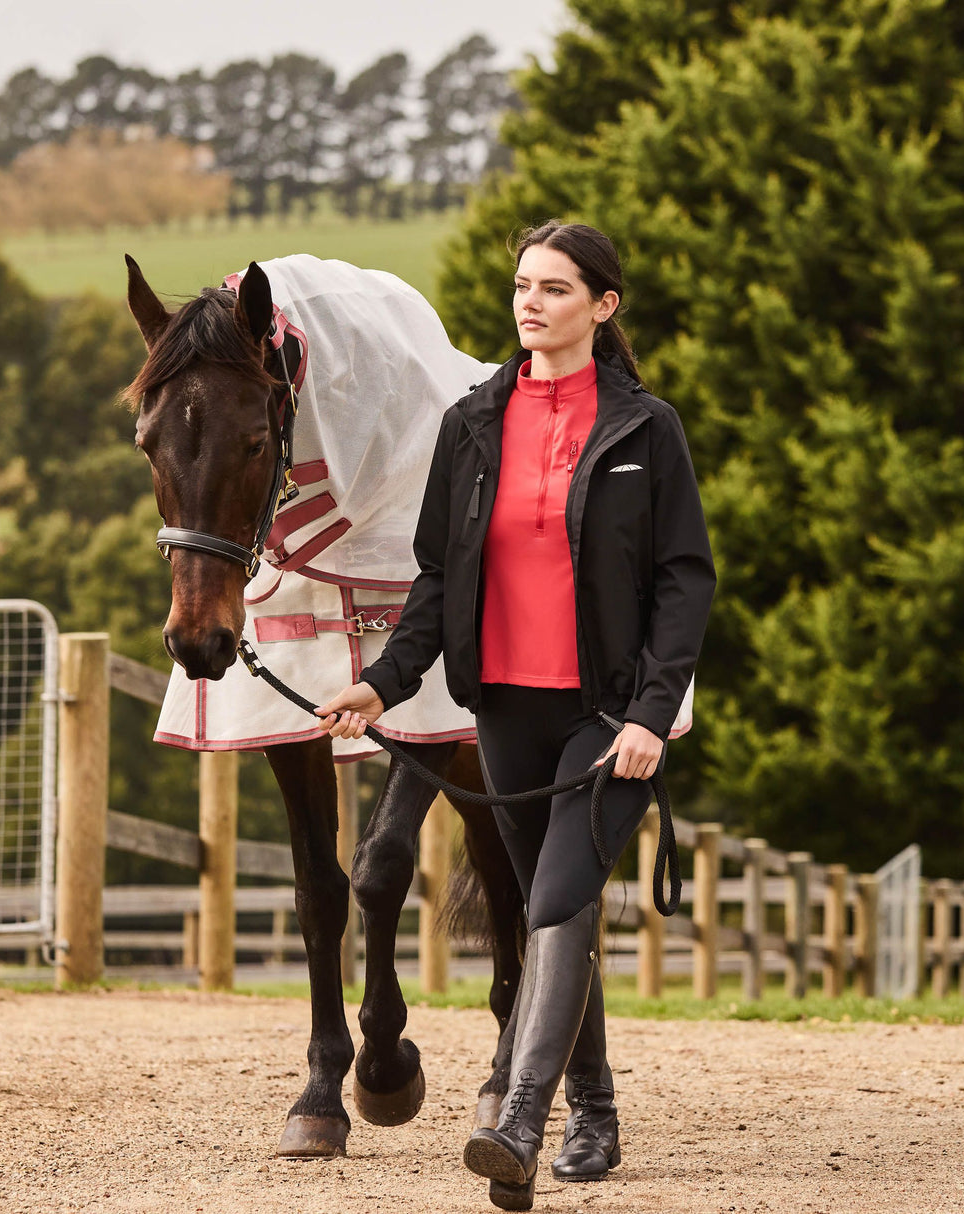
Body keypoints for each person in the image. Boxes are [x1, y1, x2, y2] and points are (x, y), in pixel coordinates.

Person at [315, 221, 715, 1210]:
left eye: (554, 288)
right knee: (551, 903)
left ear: (602, 304)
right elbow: (438, 579)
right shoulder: (472, 423)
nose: (529, 303)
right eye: (522, 286)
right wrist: (382, 680)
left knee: (556, 896)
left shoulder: (644, 428)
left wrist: (650, 715)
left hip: (607, 714)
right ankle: (597, 1105)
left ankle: (520, 1120)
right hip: (503, 707)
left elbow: (682, 580)